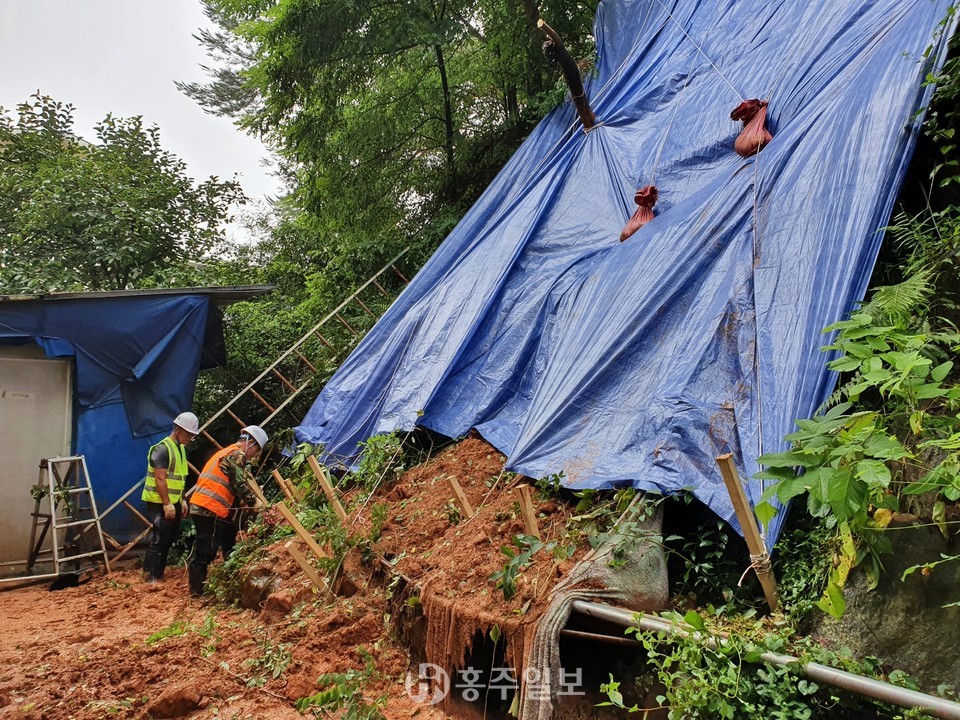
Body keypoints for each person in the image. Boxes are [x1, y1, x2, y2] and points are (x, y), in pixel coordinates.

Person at [187, 425, 267, 596]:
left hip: (207, 506)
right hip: (209, 506)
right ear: (250, 443)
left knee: (225, 540)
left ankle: (215, 582)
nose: (255, 456)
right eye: (256, 451)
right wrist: (253, 501)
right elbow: (238, 481)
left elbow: (231, 484)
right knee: (205, 549)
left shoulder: (227, 453)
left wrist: (242, 500)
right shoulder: (236, 454)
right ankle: (196, 591)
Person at [141, 411, 199, 582]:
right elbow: (160, 478)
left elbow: (179, 478)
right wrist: (166, 503)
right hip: (158, 501)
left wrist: (182, 500)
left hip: (173, 501)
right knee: (160, 536)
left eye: (191, 435)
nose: (189, 439)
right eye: (188, 434)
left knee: (170, 536)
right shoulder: (162, 449)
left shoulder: (180, 450)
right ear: (178, 429)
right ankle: (152, 576)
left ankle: (155, 571)